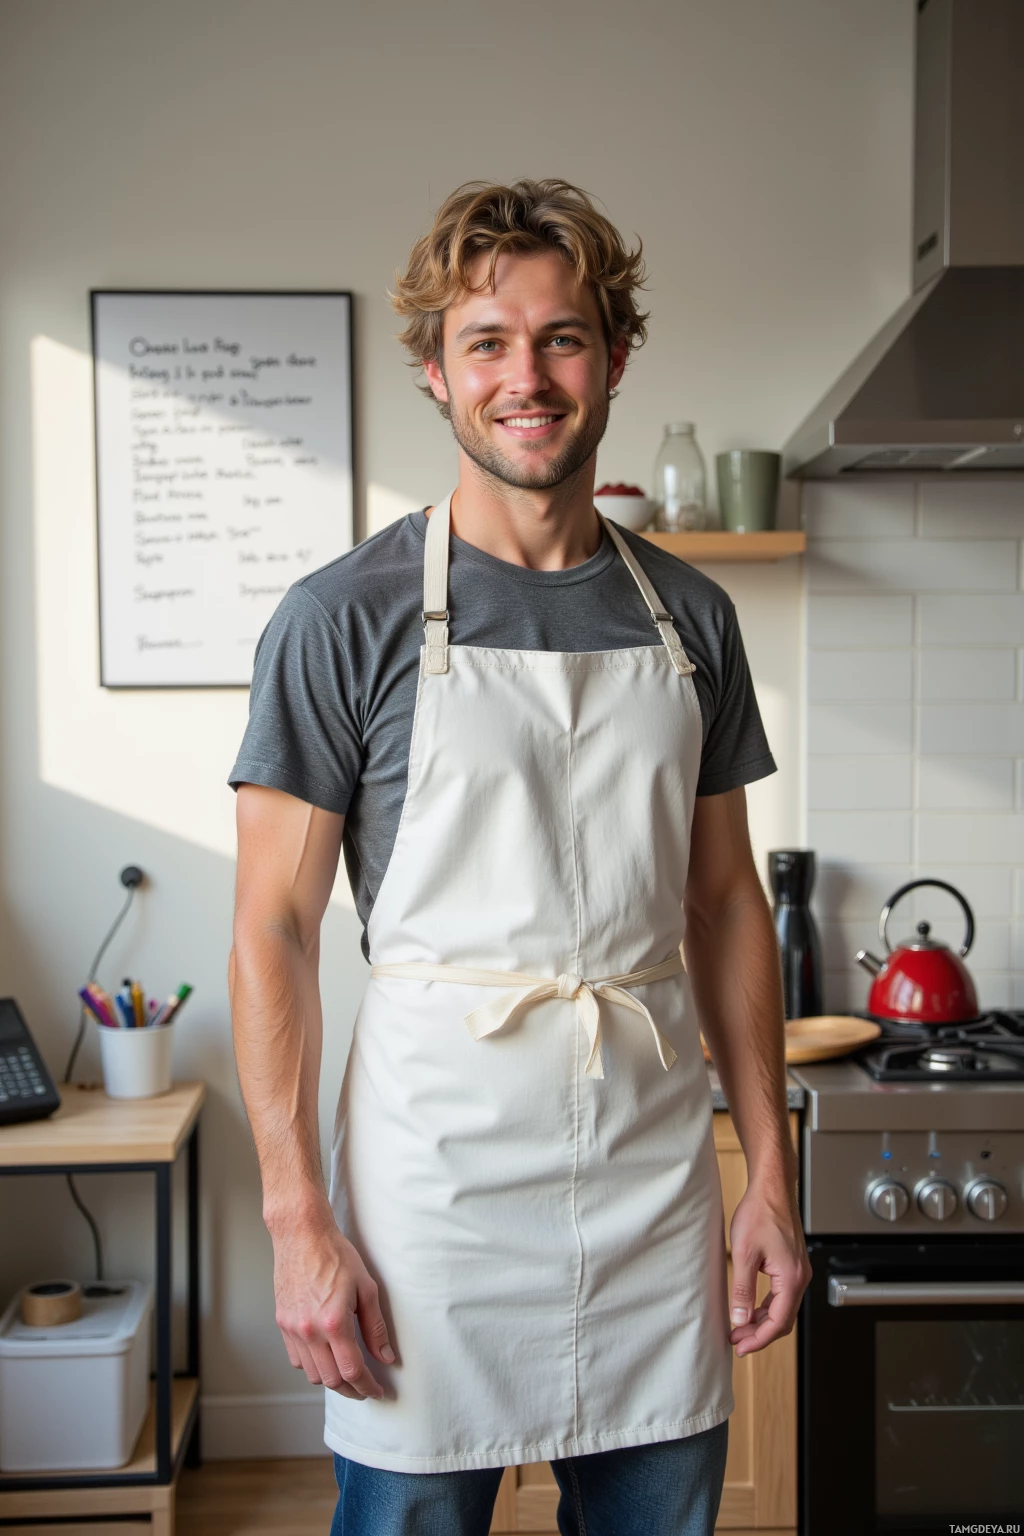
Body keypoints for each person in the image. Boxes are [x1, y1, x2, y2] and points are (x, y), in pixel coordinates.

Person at [228, 178, 810, 1536]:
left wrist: (770, 1179)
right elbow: (274, 928)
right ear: (437, 372)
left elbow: (724, 908)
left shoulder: (695, 619)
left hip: (649, 1184)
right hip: (431, 1193)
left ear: (615, 358)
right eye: (488, 341)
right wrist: (297, 1219)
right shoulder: (342, 618)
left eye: (562, 338)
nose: (528, 377)